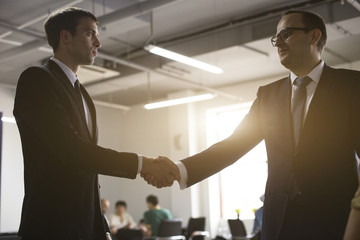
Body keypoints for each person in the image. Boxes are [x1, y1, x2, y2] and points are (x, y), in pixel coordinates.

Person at [144, 10, 360, 240]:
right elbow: (234, 145)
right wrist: (179, 169)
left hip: (336, 221)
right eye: (275, 37)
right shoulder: (268, 95)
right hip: (278, 222)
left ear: (314, 36)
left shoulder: (351, 86)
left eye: (286, 33)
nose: (277, 42)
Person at [13, 7, 179, 240]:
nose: (98, 43)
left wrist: (101, 228)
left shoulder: (83, 95)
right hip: (50, 226)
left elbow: (88, 173)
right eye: (90, 33)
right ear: (66, 37)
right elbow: (73, 151)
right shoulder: (36, 79)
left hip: (87, 228)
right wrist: (144, 164)